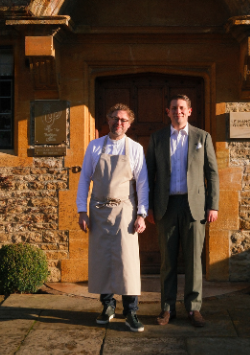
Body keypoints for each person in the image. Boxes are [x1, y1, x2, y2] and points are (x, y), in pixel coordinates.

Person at [145, 94, 219, 327]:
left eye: (181, 108)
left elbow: (212, 173)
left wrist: (213, 205)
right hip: (166, 207)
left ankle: (193, 308)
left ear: (189, 111)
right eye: (173, 108)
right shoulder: (157, 138)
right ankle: (167, 309)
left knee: (194, 261)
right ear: (167, 112)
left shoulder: (202, 137)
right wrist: (146, 208)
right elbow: (148, 175)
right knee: (167, 261)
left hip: (194, 207)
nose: (178, 111)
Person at [77, 103, 149, 332]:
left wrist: (142, 214)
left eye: (124, 120)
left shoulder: (135, 148)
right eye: (115, 119)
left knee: (127, 262)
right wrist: (82, 211)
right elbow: (84, 179)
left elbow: (142, 183)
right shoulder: (95, 146)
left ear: (130, 123)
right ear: (108, 120)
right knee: (102, 260)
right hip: (98, 211)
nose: (119, 123)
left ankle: (131, 311)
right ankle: (107, 306)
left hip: (125, 211)